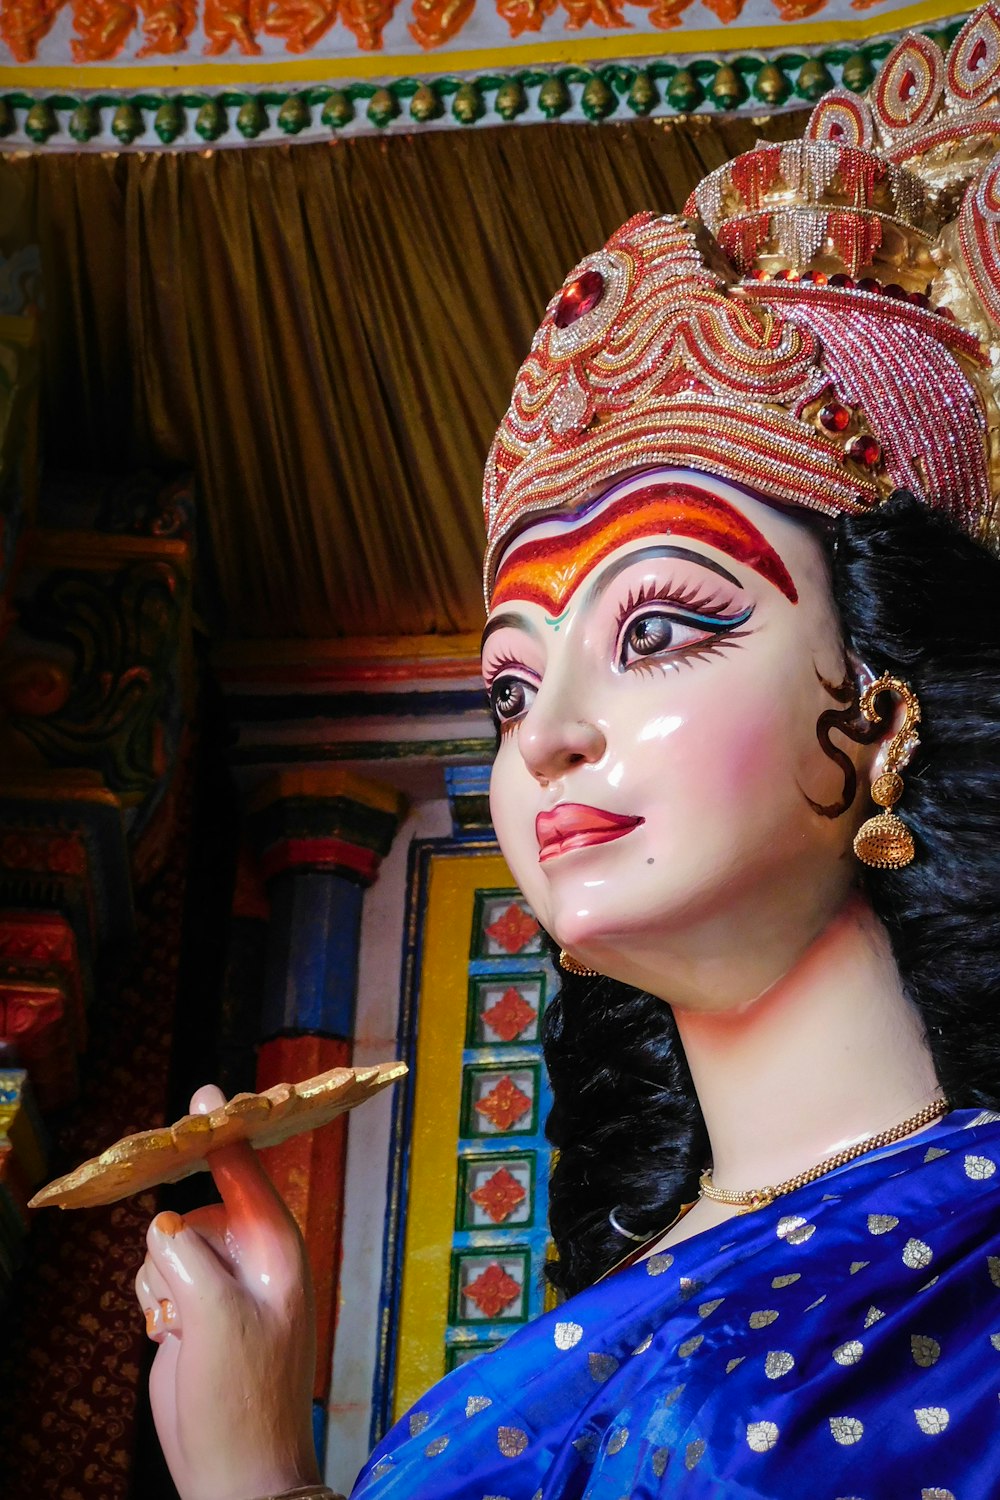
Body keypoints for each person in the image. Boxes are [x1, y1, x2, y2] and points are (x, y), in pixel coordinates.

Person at [136, 12, 1000, 1498]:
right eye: (511, 684)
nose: (550, 736)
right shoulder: (572, 1337)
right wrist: (253, 1458)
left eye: (661, 628)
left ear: (887, 699)